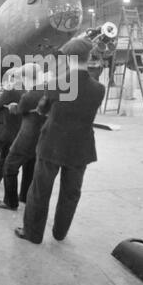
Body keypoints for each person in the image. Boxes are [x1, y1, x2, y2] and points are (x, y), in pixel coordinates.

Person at [14, 38, 105, 244]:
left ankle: (33, 233)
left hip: (52, 145)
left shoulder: (55, 84)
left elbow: (42, 109)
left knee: (40, 190)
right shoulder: (99, 89)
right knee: (71, 192)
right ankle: (60, 233)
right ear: (88, 57)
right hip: (81, 147)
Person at [0, 63, 46, 210]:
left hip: (26, 137)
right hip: (40, 138)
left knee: (9, 167)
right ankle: (24, 196)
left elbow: (21, 109)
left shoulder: (30, 95)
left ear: (27, 77)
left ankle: (10, 202)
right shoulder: (48, 91)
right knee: (29, 167)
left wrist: (13, 107)